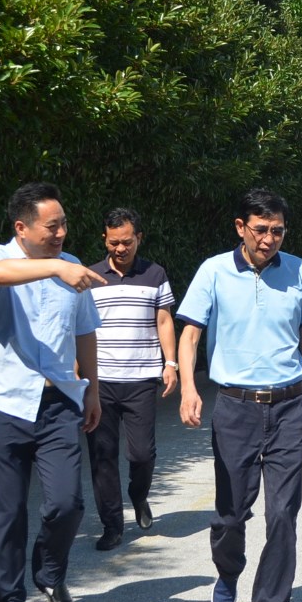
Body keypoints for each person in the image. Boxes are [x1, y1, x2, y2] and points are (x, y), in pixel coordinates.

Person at [175, 188, 302, 602]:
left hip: (288, 406)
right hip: (235, 407)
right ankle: (228, 572)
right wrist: (188, 388)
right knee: (230, 513)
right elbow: (190, 335)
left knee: (283, 513)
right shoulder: (213, 271)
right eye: (260, 230)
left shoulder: (300, 271)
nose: (269, 239)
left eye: (277, 231)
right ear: (241, 227)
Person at [0, 182, 104, 602]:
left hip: (59, 403)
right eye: (52, 226)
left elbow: (84, 332)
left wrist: (92, 391)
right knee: (7, 511)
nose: (61, 233)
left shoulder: (72, 268)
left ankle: (50, 573)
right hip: (4, 402)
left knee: (67, 503)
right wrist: (54, 268)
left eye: (64, 224)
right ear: (22, 228)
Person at [86, 207, 178, 551]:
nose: (120, 248)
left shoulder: (155, 274)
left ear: (139, 237)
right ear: (104, 239)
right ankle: (112, 526)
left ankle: (138, 496)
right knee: (102, 456)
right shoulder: (90, 277)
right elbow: (81, 329)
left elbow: (164, 320)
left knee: (142, 454)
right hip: (100, 381)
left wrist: (171, 363)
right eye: (113, 242)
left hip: (141, 379)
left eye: (126, 241)